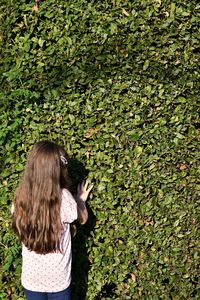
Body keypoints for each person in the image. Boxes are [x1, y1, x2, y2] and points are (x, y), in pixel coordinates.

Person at [11, 140, 93, 300]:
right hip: (59, 280)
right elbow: (82, 219)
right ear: (56, 171)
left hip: (31, 279)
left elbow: (15, 214)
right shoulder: (64, 198)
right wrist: (80, 201)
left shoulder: (21, 196)